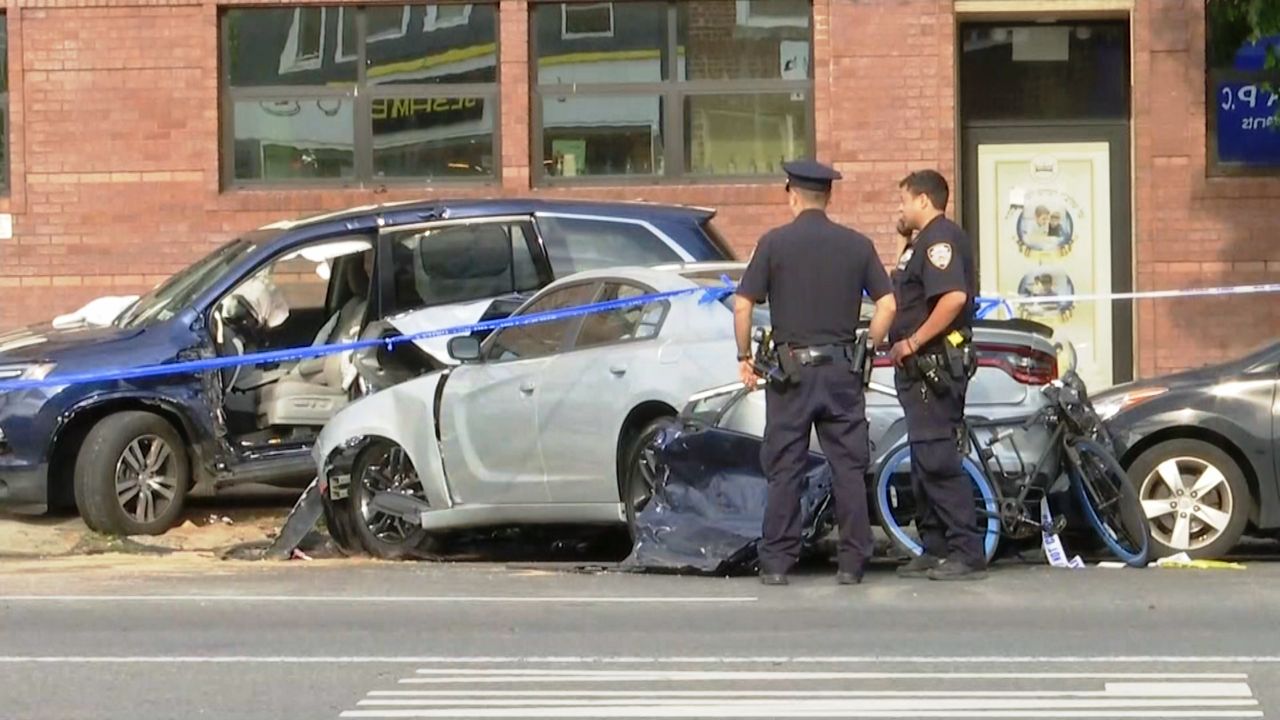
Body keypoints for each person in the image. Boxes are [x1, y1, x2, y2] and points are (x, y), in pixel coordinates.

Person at [734, 159, 897, 586]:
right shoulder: (857, 245)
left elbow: (742, 304)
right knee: (847, 466)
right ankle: (852, 563)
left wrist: (743, 356)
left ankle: (776, 563)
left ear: (792, 193)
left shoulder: (773, 243)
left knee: (785, 465)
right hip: (842, 370)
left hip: (791, 374)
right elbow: (889, 305)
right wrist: (870, 343)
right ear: (830, 196)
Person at [888, 169, 986, 582]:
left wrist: (912, 342)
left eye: (905, 201)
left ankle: (966, 550)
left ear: (924, 200)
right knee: (923, 459)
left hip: (933, 366)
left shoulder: (940, 240)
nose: (901, 208)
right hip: (918, 370)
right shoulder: (920, 242)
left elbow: (953, 299)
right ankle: (935, 546)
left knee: (937, 457)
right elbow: (903, 288)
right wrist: (900, 238)